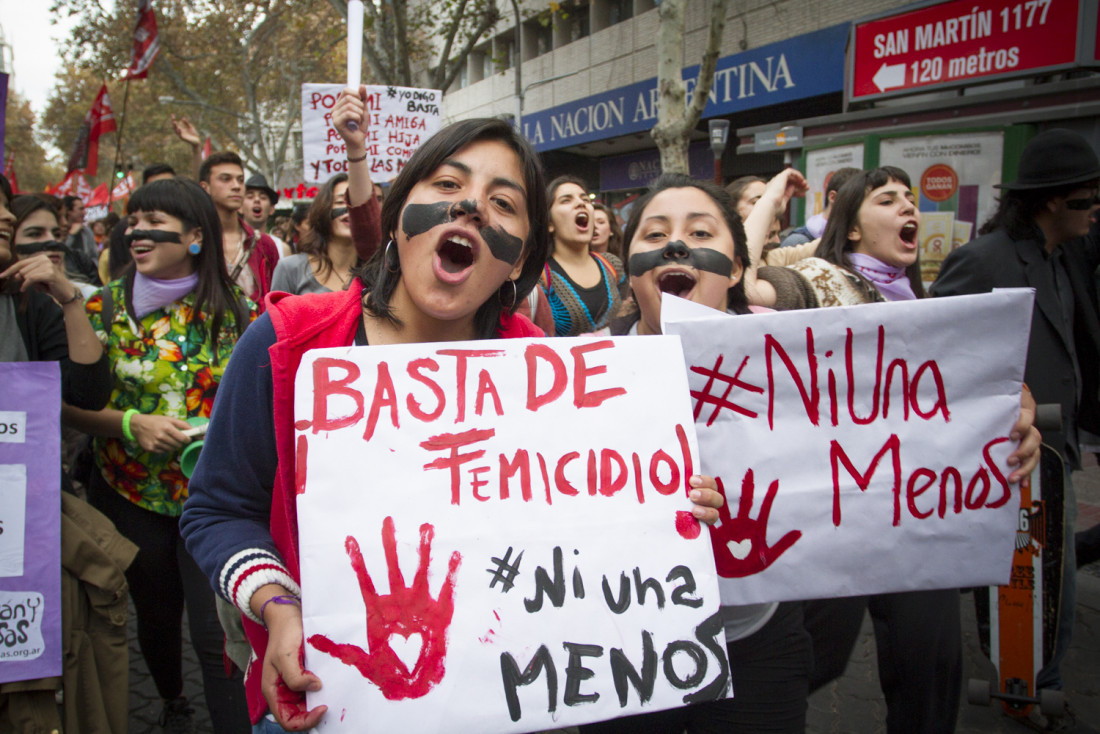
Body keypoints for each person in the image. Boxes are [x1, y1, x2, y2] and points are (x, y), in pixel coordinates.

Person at [180, 105, 725, 731]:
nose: (470, 208)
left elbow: (588, 523)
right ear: (395, 223)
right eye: (446, 185)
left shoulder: (551, 376)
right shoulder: (286, 347)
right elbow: (218, 510)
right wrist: (277, 604)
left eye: (503, 203)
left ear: (519, 260)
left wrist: (668, 508)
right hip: (329, 702)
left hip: (503, 696)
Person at [748, 165, 1042, 734]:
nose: (908, 208)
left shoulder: (920, 295)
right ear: (850, 227)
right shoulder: (817, 278)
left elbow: (971, 381)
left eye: (910, 199)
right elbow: (747, 282)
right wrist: (773, 202)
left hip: (921, 513)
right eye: (887, 199)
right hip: (838, 513)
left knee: (931, 666)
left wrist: (1016, 407)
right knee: (817, 659)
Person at [585, 174, 820, 733]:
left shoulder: (798, 358)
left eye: (700, 231)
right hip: (621, 640)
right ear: (630, 266)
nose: (676, 244)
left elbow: (906, 407)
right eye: (656, 232)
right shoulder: (579, 372)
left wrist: (1001, 413)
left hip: (757, 641)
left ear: (736, 267)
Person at [65, 177, 255, 734]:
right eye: (133, 219)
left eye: (154, 221)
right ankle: (172, 701)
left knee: (215, 628)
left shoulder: (235, 311)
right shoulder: (99, 309)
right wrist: (130, 424)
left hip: (211, 500)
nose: (137, 231)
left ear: (196, 236)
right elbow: (64, 407)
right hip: (127, 493)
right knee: (154, 616)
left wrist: (212, 428)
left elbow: (254, 401)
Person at [932, 128, 1100, 729]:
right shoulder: (985, 261)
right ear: (1051, 201)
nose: (1093, 212)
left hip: (1063, 444)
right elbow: (941, 356)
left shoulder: (1071, 255)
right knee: (1031, 580)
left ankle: (1033, 679)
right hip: (1014, 455)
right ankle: (1024, 684)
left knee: (1054, 572)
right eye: (1085, 201)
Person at [0, 172, 133, 734]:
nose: (7, 229)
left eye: (8, 224)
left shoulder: (28, 307)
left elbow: (83, 393)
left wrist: (68, 298)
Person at [539, 176, 627, 336]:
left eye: (585, 199)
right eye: (566, 200)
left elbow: (628, 315)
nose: (580, 203)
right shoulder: (539, 276)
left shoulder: (612, 265)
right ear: (550, 224)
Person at [198, 151, 280, 312]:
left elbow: (276, 298)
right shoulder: (196, 240)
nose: (236, 186)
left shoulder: (263, 244)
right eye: (226, 179)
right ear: (205, 187)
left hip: (254, 333)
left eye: (240, 180)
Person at [271, 174, 360, 294]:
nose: (349, 209)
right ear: (323, 209)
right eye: (340, 201)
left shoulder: (377, 273)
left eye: (356, 202)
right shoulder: (290, 269)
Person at [779, 166, 860, 249]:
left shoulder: (858, 240)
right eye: (857, 199)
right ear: (833, 197)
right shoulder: (799, 242)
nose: (861, 206)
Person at [244, 173, 292, 258]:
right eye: (250, 196)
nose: (257, 200)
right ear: (239, 207)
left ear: (271, 209)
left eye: (263, 197)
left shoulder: (281, 248)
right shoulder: (229, 246)